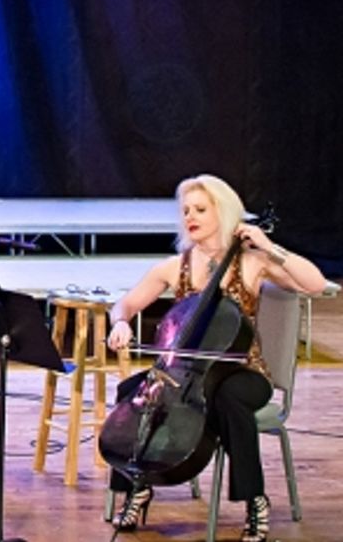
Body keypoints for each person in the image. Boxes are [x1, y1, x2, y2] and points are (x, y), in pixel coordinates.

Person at [103, 174, 327, 541]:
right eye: (186, 210)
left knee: (228, 400)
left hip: (243, 370)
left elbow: (315, 284)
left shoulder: (253, 262)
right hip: (187, 373)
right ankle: (136, 485)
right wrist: (121, 323)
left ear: (223, 212)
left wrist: (270, 247)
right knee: (133, 390)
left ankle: (255, 501)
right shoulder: (177, 266)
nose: (190, 216)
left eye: (200, 209)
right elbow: (124, 303)